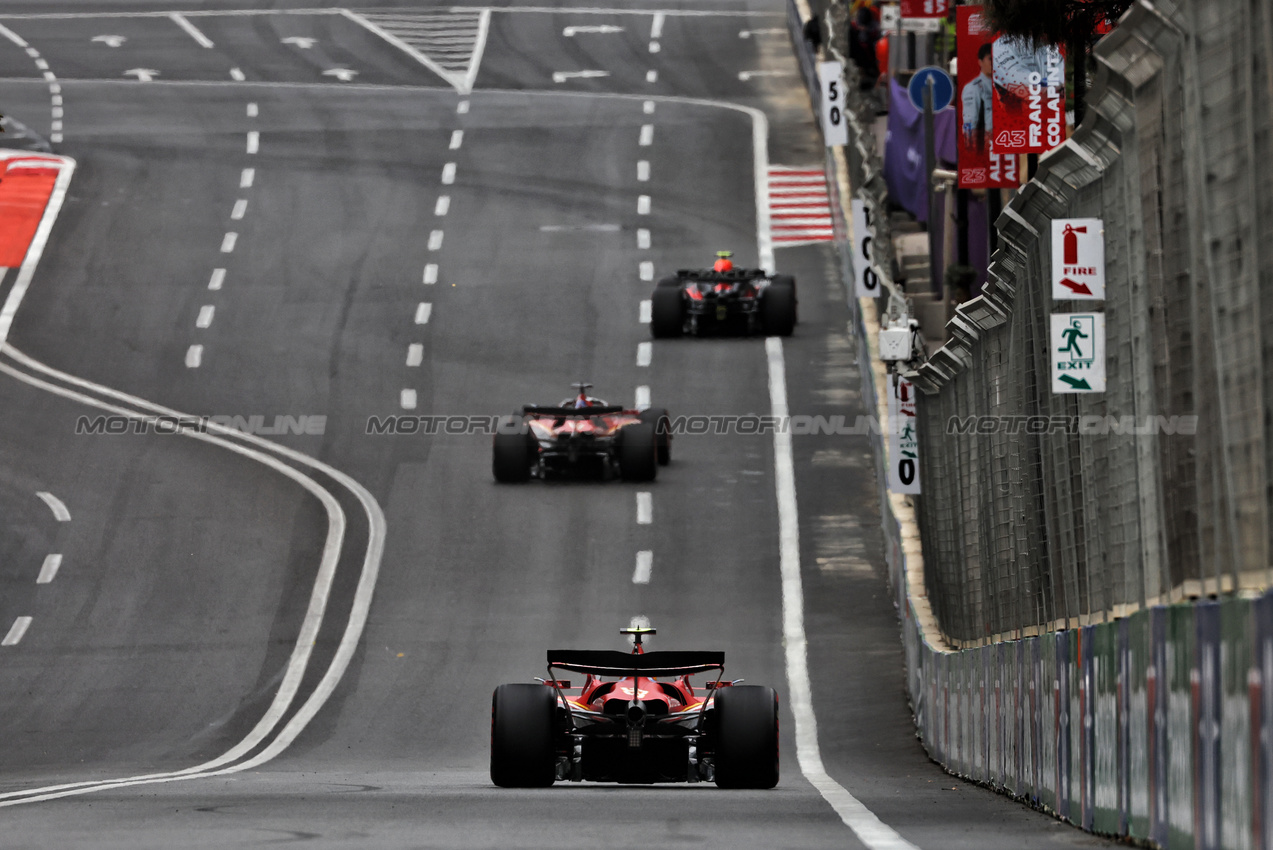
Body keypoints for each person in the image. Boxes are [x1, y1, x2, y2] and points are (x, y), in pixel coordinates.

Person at [961, 42, 994, 151]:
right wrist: (970, 147)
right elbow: (969, 121)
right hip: (986, 146)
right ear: (980, 62)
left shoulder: (1004, 86)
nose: (994, 63)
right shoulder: (973, 88)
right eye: (990, 59)